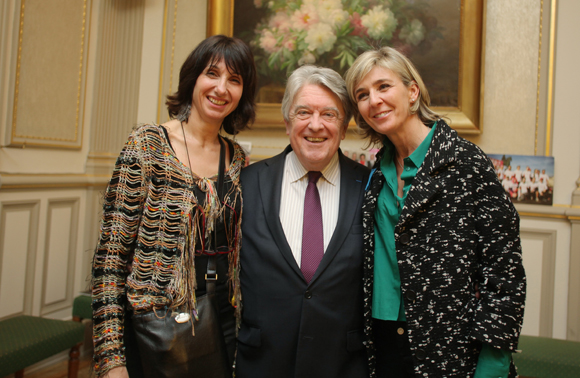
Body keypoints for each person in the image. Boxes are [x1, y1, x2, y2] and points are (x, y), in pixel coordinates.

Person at [344, 46, 526, 378]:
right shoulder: (374, 174)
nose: (374, 100)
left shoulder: (464, 162)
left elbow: (504, 269)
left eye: (384, 86)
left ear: (412, 92)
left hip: (452, 348)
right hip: (383, 342)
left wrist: (494, 360)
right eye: (362, 94)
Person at [91, 35, 257, 378]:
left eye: (235, 80)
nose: (222, 88)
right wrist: (112, 360)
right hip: (157, 324)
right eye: (212, 73)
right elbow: (110, 260)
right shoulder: (148, 145)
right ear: (194, 77)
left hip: (223, 320)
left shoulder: (237, 158)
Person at [236, 65, 370, 378]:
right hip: (260, 364)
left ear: (345, 125)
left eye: (329, 114)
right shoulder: (246, 184)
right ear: (287, 122)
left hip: (343, 366)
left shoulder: (370, 187)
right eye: (304, 112)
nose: (315, 125)